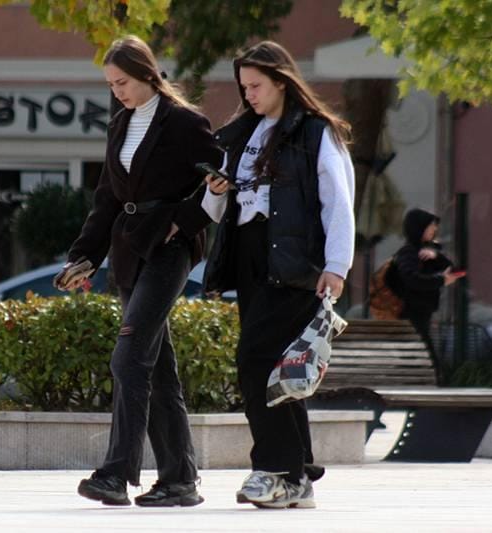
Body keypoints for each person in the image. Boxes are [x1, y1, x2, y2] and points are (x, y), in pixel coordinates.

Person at [53, 35, 222, 507]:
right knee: (157, 369)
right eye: (111, 85)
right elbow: (107, 197)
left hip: (169, 249)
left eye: (123, 82)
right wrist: (83, 256)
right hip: (129, 250)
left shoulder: (185, 122)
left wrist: (183, 222)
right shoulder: (120, 123)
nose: (118, 92)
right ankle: (180, 480)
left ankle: (115, 474)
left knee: (128, 358)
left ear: (147, 74)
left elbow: (220, 180)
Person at [201, 41, 355, 509]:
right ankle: (298, 475)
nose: (248, 95)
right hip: (250, 260)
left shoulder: (315, 132)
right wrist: (216, 189)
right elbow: (215, 210)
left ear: (282, 83)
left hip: (294, 263)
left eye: (256, 86)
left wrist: (337, 266)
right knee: (283, 370)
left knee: (255, 361)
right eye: (244, 87)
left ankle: (274, 469)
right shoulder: (242, 133)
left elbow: (339, 201)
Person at [389, 208, 466, 382]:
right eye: (431, 226)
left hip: (423, 312)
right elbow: (412, 280)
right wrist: (440, 280)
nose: (434, 229)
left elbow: (456, 269)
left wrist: (436, 256)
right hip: (410, 313)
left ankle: (432, 382)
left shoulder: (429, 252)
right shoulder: (408, 253)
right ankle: (433, 383)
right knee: (424, 355)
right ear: (419, 227)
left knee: (423, 354)